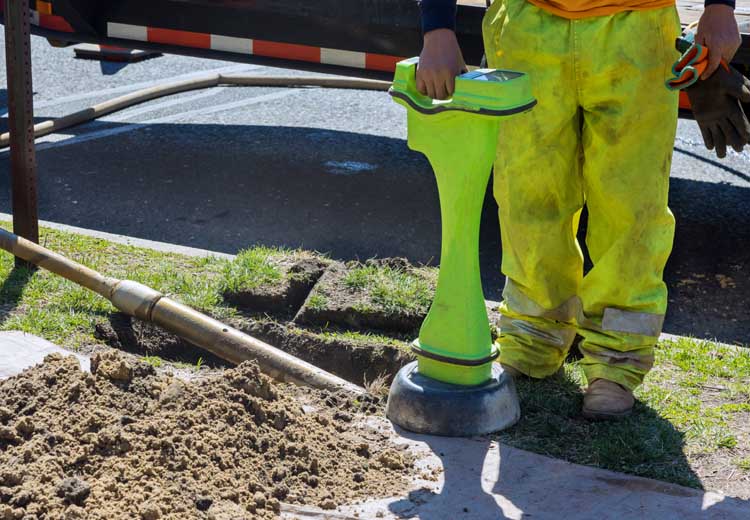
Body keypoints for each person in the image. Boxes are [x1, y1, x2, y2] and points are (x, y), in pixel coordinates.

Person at [416, 0, 742, 419]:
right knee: (529, 195)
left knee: (631, 205)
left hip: (637, 25)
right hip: (528, 23)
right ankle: (532, 338)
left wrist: (720, 9)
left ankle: (617, 361)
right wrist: (436, 28)